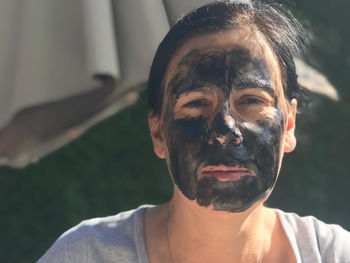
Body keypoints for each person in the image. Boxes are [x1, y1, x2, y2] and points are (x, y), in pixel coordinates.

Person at [38, 1, 350, 262]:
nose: (225, 130)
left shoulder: (333, 254)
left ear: (289, 125)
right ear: (158, 132)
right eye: (196, 103)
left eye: (252, 100)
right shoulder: (87, 255)